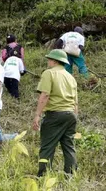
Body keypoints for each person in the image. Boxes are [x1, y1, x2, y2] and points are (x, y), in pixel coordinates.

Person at [33, 49, 78, 177]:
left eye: (49, 59)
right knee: (69, 146)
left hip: (55, 115)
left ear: (53, 60)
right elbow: (76, 102)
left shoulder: (49, 73)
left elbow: (45, 94)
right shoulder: (70, 77)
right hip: (70, 115)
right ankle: (71, 174)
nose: (48, 61)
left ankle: (43, 176)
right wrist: (75, 117)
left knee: (47, 146)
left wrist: (37, 115)